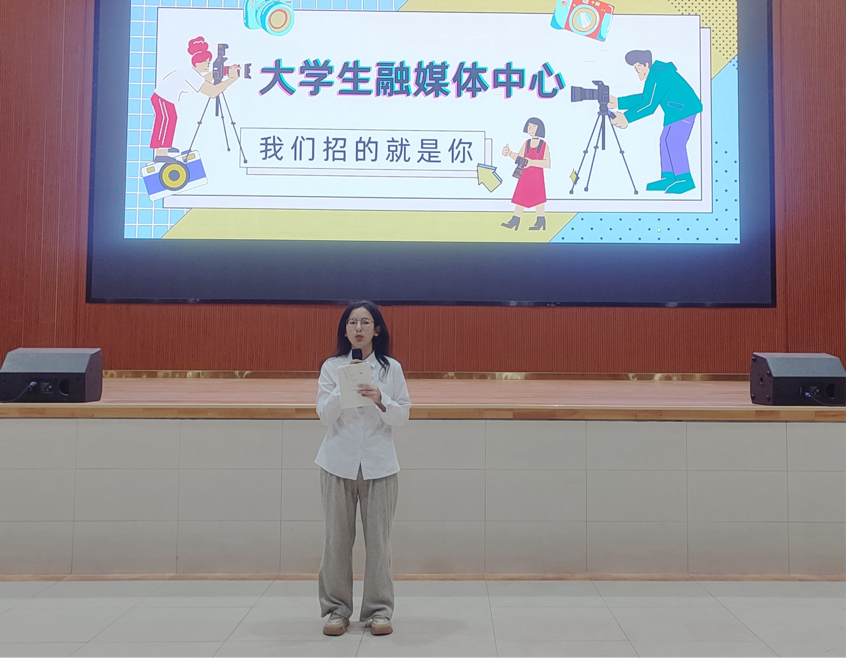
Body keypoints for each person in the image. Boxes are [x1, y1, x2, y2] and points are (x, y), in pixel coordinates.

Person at [315, 301, 412, 637]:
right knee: (336, 542)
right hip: (337, 464)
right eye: (352, 322)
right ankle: (336, 611)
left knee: (379, 544)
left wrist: (381, 398)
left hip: (379, 465)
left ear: (377, 329)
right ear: (344, 330)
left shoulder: (391, 369)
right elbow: (324, 416)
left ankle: (378, 612)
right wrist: (343, 391)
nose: (358, 328)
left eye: (365, 322)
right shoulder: (332, 367)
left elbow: (403, 416)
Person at [609, 49, 703, 194]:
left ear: (646, 64)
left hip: (684, 111)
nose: (637, 72)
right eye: (635, 69)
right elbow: (646, 98)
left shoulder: (659, 76)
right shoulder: (657, 74)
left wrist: (626, 118)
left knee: (674, 142)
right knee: (665, 140)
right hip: (675, 112)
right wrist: (619, 102)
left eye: (638, 68)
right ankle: (669, 177)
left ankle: (685, 179)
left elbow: (649, 105)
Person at [148, 37, 240, 163]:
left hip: (166, 98)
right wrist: (232, 79)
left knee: (171, 119)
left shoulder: (191, 73)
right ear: (197, 63)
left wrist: (224, 71)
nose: (208, 65)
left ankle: (165, 146)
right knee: (165, 120)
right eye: (206, 63)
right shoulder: (190, 74)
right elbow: (212, 92)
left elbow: (204, 80)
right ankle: (160, 154)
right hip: (162, 97)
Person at [501, 118, 551, 231]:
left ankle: (541, 220)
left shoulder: (544, 145)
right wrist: (509, 153)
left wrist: (531, 162)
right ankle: (515, 219)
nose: (531, 129)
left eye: (534, 127)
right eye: (529, 126)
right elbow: (519, 158)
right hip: (525, 176)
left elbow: (547, 163)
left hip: (537, 177)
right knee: (520, 196)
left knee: (539, 197)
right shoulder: (526, 143)